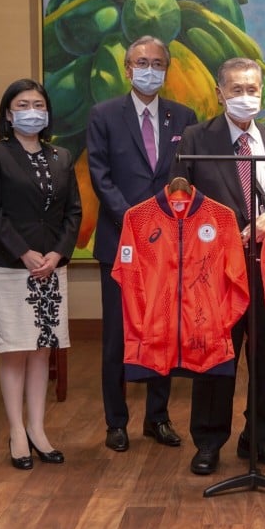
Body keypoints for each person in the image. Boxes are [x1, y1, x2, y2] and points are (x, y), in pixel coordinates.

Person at [172, 57, 265, 475]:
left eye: (253, 89)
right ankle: (209, 441)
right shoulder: (196, 140)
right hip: (215, 271)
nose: (246, 97)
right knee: (215, 355)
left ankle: (262, 439)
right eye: (236, 90)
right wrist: (228, 228)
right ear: (219, 93)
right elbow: (180, 206)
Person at [87, 35, 198, 452]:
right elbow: (100, 176)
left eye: (157, 63)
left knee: (161, 334)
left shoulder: (183, 117)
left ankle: (157, 417)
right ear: (127, 69)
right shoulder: (103, 115)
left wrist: (167, 222)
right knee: (118, 336)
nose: (149, 69)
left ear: (165, 70)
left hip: (170, 244)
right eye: (141, 62)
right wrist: (136, 221)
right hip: (121, 242)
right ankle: (116, 422)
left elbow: (187, 177)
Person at [0, 79, 82, 470]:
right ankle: (16, 432)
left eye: (39, 104)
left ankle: (38, 430)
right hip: (10, 265)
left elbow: (74, 212)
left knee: (42, 350)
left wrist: (56, 254)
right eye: (23, 104)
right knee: (14, 350)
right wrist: (25, 253)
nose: (32, 110)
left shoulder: (62, 156)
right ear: (8, 112)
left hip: (51, 268)